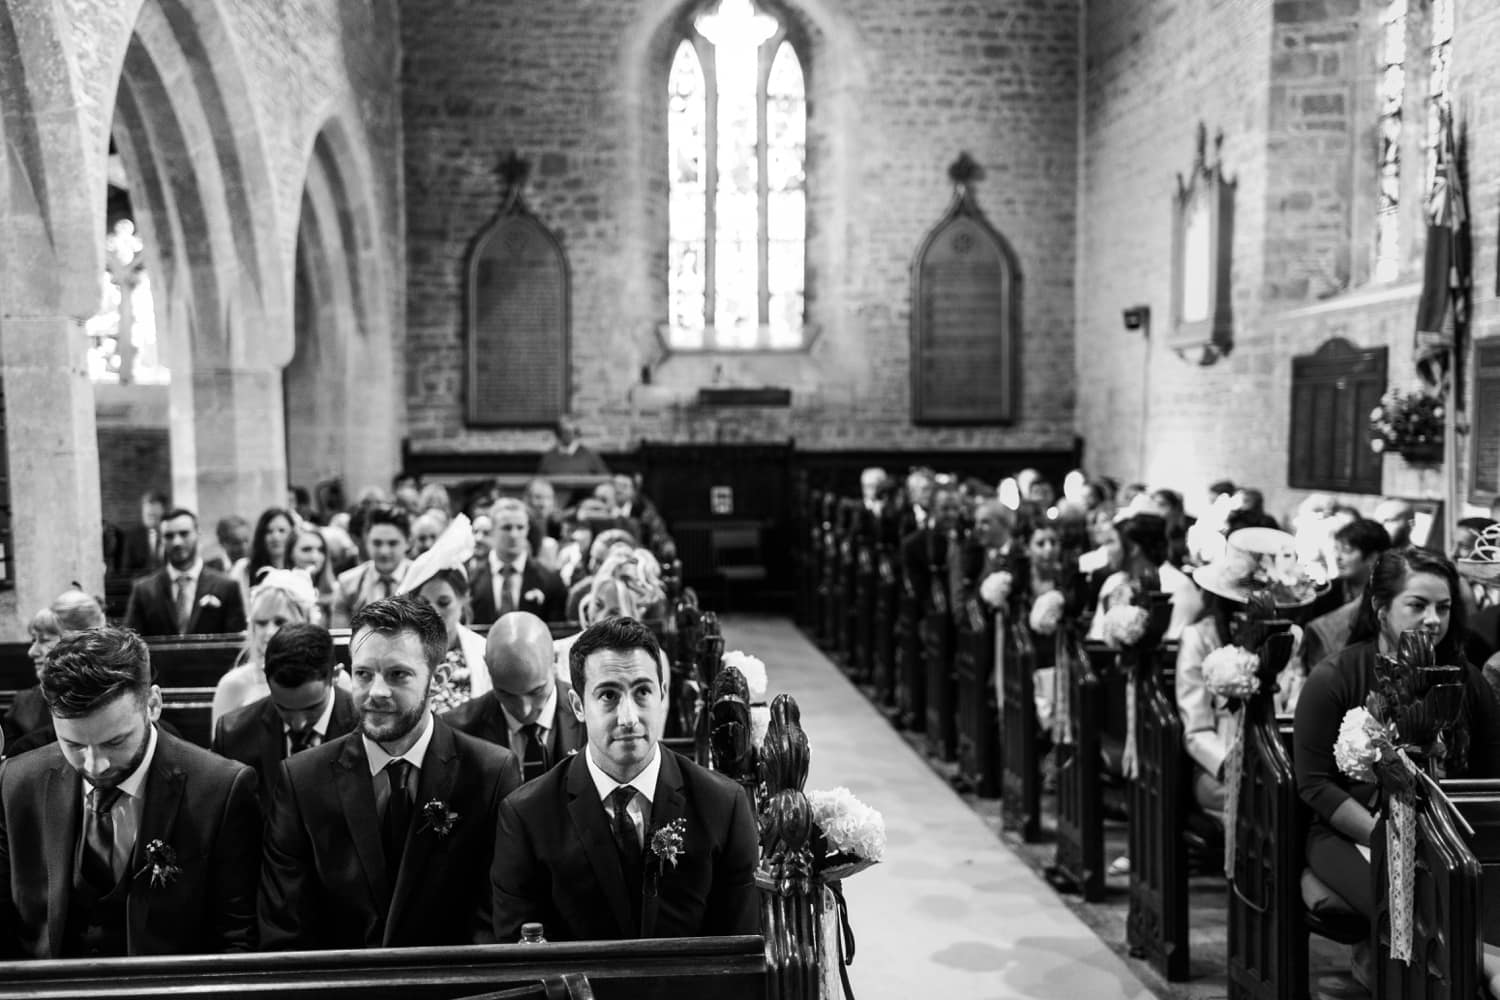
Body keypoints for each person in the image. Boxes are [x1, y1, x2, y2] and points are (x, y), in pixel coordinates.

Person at [257, 596, 520, 949]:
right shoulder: (302, 780)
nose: (377, 692)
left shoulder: (489, 773)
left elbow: (495, 917)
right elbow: (285, 927)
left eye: (398, 675)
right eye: (364, 674)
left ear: (438, 679)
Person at [491, 617, 758, 941]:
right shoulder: (528, 816)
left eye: (642, 691)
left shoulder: (723, 805)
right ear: (578, 705)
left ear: (662, 695)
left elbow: (741, 948)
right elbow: (519, 955)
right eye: (608, 695)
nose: (629, 718)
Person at [1294, 549, 1500, 969]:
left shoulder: (1467, 680)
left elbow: (1489, 770)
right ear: (1381, 608)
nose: (1433, 620)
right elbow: (1315, 785)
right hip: (1351, 833)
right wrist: (1389, 834)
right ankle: (1488, 967)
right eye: (1417, 605)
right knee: (1424, 902)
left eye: (1443, 608)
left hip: (1447, 831)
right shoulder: (1336, 676)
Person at [0, 627, 260, 957]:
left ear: (152, 704)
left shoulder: (221, 790)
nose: (95, 765)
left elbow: (236, 937)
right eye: (74, 744)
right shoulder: (16, 782)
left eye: (115, 741)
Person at [211, 623, 358, 800]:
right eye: (284, 708)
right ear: (266, 676)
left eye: (312, 708)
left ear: (335, 675)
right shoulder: (234, 734)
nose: (298, 723)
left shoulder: (365, 727)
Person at [442, 611, 585, 781]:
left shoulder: (593, 717)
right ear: (487, 666)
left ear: (554, 659)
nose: (524, 710)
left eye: (536, 691)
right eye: (507, 694)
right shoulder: (456, 732)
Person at [211, 570, 326, 730]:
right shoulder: (232, 685)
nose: (269, 632)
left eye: (280, 621)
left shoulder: (332, 680)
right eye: (261, 623)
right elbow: (218, 744)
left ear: (305, 623)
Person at [3, 591, 109, 750]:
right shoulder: (24, 705)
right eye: (34, 640)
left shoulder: (115, 699)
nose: (32, 652)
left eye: (44, 640)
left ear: (79, 644)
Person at [123, 508, 246, 638]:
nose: (177, 542)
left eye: (184, 534)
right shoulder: (144, 590)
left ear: (198, 534)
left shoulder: (226, 587)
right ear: (161, 540)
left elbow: (237, 642)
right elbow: (131, 642)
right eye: (169, 536)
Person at [1298, 519, 1393, 671]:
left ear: (1373, 557)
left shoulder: (1389, 598)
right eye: (1337, 549)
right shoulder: (1323, 594)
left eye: (1347, 550)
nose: (1338, 557)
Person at [469, 499, 568, 625]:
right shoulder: (471, 579)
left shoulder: (551, 579)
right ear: (493, 530)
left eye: (520, 527)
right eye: (507, 527)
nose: (514, 535)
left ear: (528, 530)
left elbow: (558, 630)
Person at [331, 505, 413, 628]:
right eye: (377, 543)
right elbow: (341, 635)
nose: (384, 551)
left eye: (393, 543)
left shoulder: (422, 579)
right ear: (366, 542)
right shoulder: (347, 583)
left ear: (408, 542)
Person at [230, 507, 297, 611]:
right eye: (269, 531)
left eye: (282, 531)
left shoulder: (299, 570)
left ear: (292, 534)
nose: (275, 537)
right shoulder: (243, 568)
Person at [536, 414, 610, 478]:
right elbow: (539, 481)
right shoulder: (549, 456)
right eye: (562, 431)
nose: (566, 435)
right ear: (558, 434)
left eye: (570, 432)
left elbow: (605, 479)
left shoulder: (590, 455)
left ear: (576, 434)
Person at [289, 526, 337, 624]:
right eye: (306, 549)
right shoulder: (282, 590)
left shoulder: (338, 590)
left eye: (320, 550)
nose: (314, 556)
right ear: (290, 553)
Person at [115, 491, 169, 577]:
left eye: (154, 515)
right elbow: (125, 571)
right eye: (148, 515)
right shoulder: (132, 537)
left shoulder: (171, 534)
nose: (150, 519)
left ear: (163, 511)